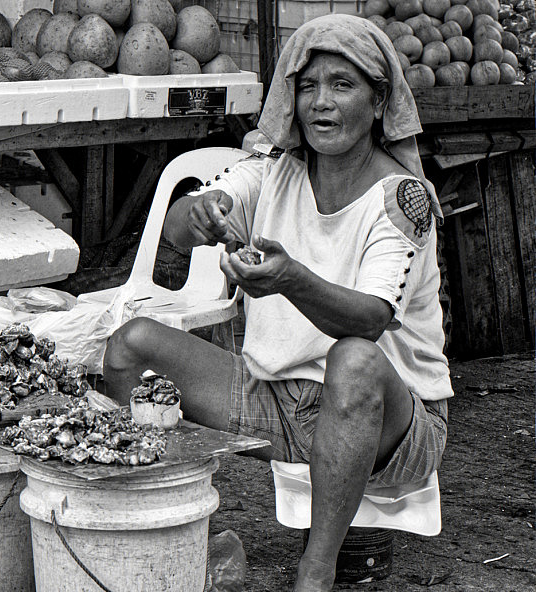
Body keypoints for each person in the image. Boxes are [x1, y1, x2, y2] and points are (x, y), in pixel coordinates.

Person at [103, 14, 453, 592]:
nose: (322, 102)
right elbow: (179, 227)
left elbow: (368, 319)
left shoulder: (402, 198)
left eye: (342, 85)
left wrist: (291, 278)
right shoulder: (273, 170)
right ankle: (164, 525)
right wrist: (198, 213)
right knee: (130, 345)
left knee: (355, 359)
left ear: (379, 100)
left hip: (391, 422)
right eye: (308, 85)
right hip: (278, 403)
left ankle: (314, 572)